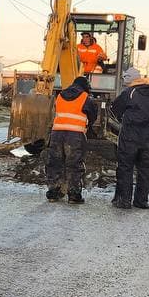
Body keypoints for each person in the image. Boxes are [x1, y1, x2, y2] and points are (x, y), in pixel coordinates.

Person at [110, 67, 149, 209]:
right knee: (145, 169)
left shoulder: (129, 92)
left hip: (130, 136)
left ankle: (124, 200)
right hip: (148, 138)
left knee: (125, 167)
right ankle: (141, 201)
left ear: (129, 79)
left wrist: (124, 122)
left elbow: (114, 110)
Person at [46, 74, 98, 204]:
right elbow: (93, 115)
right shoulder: (85, 97)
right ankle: (74, 195)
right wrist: (87, 126)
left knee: (55, 163)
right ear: (85, 87)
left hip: (57, 134)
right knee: (74, 165)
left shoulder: (61, 95)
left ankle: (53, 192)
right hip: (75, 136)